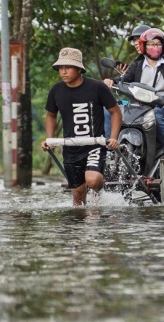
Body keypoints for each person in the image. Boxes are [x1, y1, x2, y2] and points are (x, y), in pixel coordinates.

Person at [41, 48, 122, 206]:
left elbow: (116, 112)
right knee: (78, 198)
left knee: (92, 180)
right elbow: (51, 115)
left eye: (68, 68)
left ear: (79, 69)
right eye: (61, 68)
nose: (63, 72)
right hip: (71, 149)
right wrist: (49, 139)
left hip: (95, 146)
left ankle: (100, 193)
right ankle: (81, 230)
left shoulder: (97, 87)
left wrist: (113, 137)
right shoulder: (56, 90)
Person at [107, 24, 164, 157]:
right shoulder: (137, 64)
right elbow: (124, 79)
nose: (136, 43)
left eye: (156, 44)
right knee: (109, 107)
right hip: (139, 103)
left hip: (162, 102)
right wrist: (111, 81)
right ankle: (107, 145)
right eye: (135, 40)